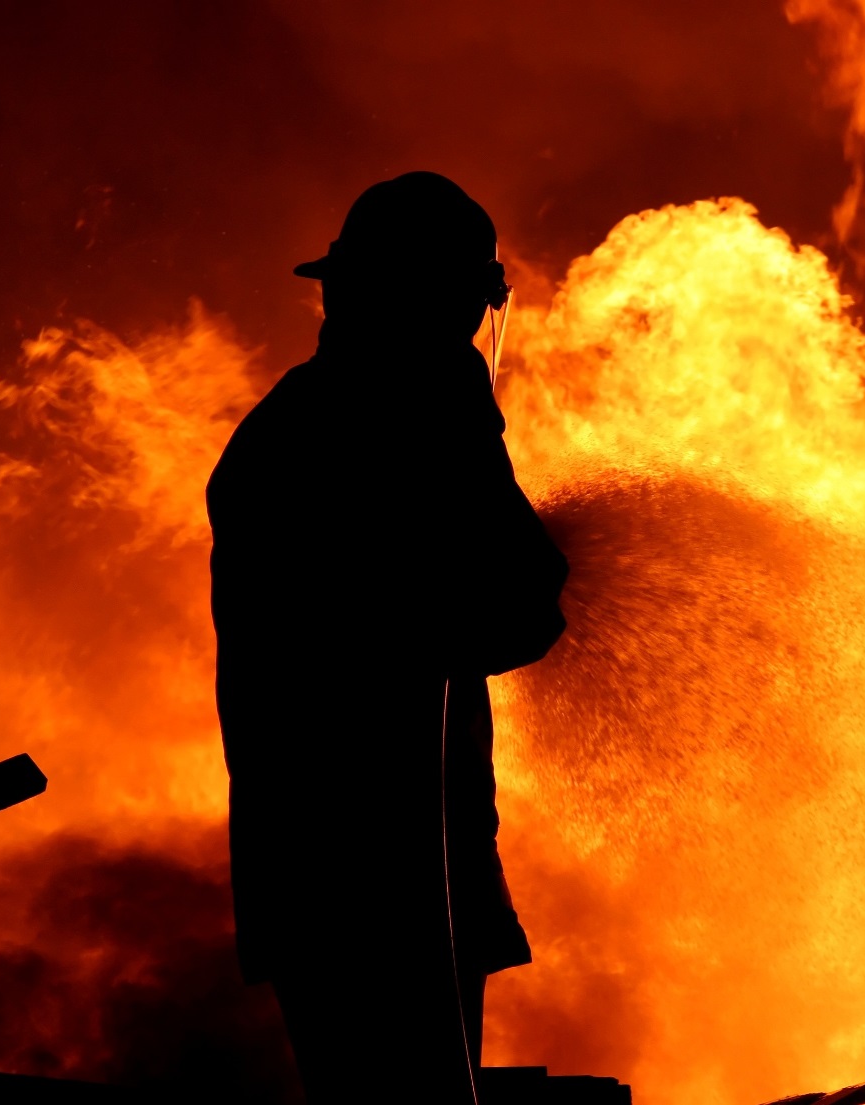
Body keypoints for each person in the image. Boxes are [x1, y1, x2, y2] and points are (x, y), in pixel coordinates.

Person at [206, 172, 569, 1103]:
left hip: (349, 878)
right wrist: (461, 408)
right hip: (384, 886)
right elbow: (510, 596)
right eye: (464, 301)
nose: (470, 327)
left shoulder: (304, 424)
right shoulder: (402, 416)